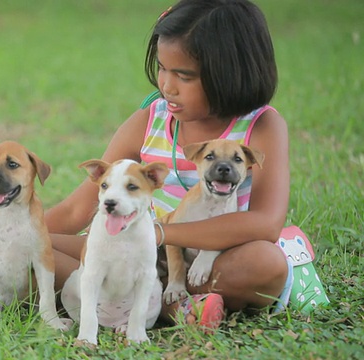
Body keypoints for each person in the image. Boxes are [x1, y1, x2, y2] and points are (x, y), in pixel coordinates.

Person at [44, 0, 291, 331]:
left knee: (266, 263)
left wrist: (159, 233)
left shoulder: (261, 127)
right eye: (162, 68)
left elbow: (265, 224)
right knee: (35, 247)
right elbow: (79, 209)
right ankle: (174, 307)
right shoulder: (149, 121)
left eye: (184, 75)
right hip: (130, 253)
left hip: (213, 259)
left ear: (231, 72)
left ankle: (163, 302)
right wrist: (6, 237)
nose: (167, 85)